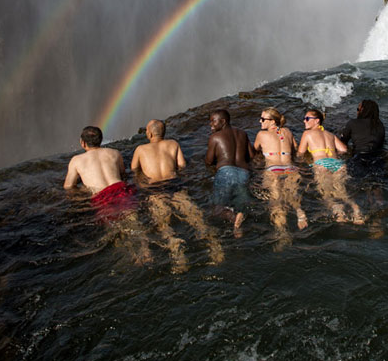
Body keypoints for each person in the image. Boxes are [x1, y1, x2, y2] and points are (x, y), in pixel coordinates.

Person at [131, 119, 222, 271]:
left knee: (163, 224)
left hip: (154, 189)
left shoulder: (140, 149)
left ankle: (177, 250)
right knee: (195, 217)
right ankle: (215, 247)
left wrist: (141, 183)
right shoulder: (173, 144)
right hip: (175, 185)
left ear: (150, 133)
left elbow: (134, 170)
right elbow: (182, 166)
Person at [297, 108, 364, 224]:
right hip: (338, 164)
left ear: (317, 121)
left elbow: (300, 153)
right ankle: (356, 209)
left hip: (321, 164)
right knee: (342, 192)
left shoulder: (307, 134)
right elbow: (343, 149)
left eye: (307, 119)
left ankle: (339, 213)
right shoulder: (330, 135)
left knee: (326, 193)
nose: (304, 121)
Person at [253, 107, 307, 241]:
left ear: (272, 121)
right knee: (292, 195)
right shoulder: (287, 131)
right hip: (290, 168)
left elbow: (254, 151)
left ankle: (282, 233)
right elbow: (295, 148)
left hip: (273, 169)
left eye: (263, 119)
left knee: (276, 202)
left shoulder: (261, 134)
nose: (260, 121)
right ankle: (299, 212)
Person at [64, 125, 136, 223]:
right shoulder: (115, 153)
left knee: (115, 224)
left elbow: (68, 186)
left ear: (83, 143)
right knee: (132, 218)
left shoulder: (76, 160)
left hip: (102, 196)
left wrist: (83, 191)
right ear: (101, 140)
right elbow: (123, 174)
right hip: (121, 188)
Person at [204, 109, 253, 236]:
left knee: (217, 208)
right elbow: (252, 155)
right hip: (244, 173)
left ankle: (233, 217)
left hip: (225, 172)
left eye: (213, 121)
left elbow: (208, 162)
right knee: (241, 203)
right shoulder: (243, 133)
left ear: (223, 121)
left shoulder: (215, 137)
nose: (211, 125)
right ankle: (239, 221)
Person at [336, 99, 386, 179]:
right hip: (376, 158)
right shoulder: (380, 125)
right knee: (376, 184)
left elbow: (342, 142)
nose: (357, 112)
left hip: (359, 158)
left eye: (358, 109)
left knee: (357, 182)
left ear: (362, 110)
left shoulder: (352, 123)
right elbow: (381, 144)